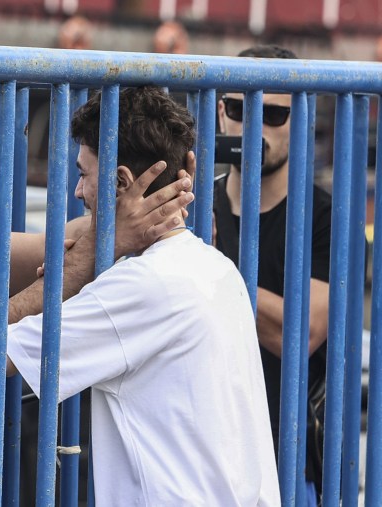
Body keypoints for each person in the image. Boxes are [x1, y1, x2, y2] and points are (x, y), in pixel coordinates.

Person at [0, 86, 280, 506]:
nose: (76, 190)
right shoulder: (216, 269)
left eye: (83, 174)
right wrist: (116, 236)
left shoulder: (141, 287)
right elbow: (48, 249)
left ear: (121, 182)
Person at [214, 44, 331, 504]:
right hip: (200, 447)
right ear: (221, 113)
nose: (253, 126)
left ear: (299, 121)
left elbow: (298, 335)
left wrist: (213, 257)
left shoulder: (325, 216)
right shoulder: (190, 206)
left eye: (274, 115)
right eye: (242, 109)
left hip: (287, 456)